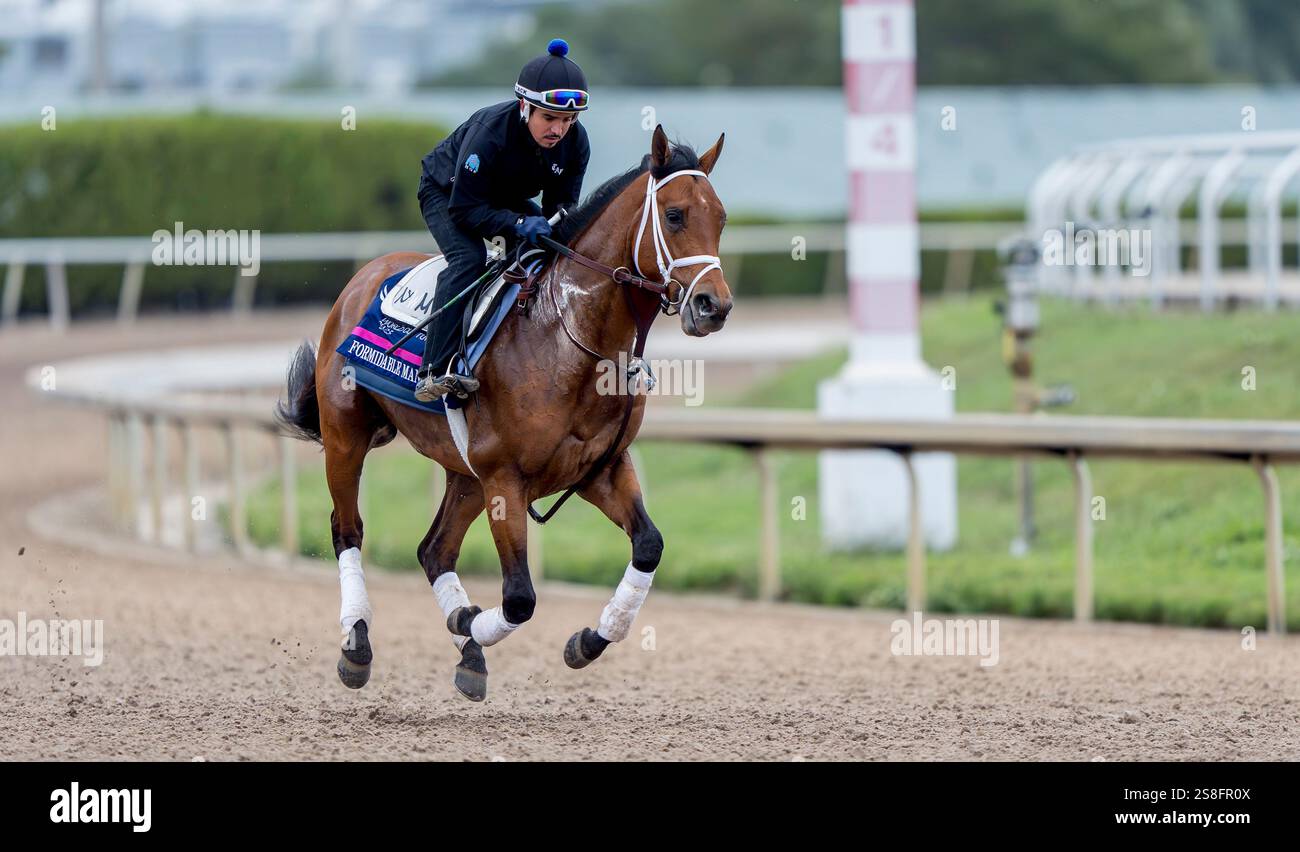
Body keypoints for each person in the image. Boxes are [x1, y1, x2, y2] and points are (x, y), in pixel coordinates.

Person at [413, 38, 592, 401]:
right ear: (525, 107)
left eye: (568, 120)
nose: (558, 130)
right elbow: (464, 209)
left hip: (502, 198)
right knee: (470, 260)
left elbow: (562, 209)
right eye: (550, 118)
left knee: (550, 251)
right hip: (449, 194)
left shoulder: (577, 143)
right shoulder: (490, 133)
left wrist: (546, 227)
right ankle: (432, 370)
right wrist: (517, 224)